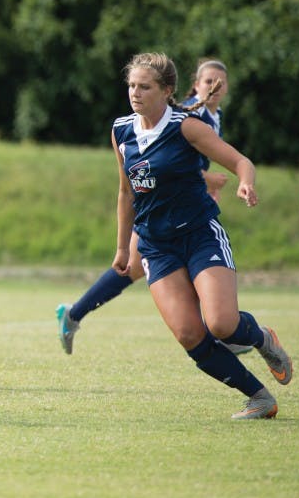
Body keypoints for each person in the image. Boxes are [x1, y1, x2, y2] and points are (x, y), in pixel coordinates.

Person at [109, 52, 292, 419]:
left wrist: (246, 184)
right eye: (131, 85)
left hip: (199, 235)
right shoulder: (121, 131)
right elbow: (126, 192)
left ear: (166, 90)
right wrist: (121, 248)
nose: (135, 93)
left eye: (144, 87)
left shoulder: (186, 126)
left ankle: (262, 338)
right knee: (189, 334)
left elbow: (241, 162)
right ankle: (259, 398)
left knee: (221, 324)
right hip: (156, 247)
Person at [56, 58, 235, 354]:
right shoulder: (186, 115)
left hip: (178, 208)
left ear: (227, 88)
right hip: (157, 206)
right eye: (207, 81)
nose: (213, 87)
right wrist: (207, 179)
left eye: (219, 82)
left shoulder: (215, 116)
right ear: (194, 85)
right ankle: (73, 313)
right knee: (131, 265)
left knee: (134, 267)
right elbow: (164, 162)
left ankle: (74, 314)